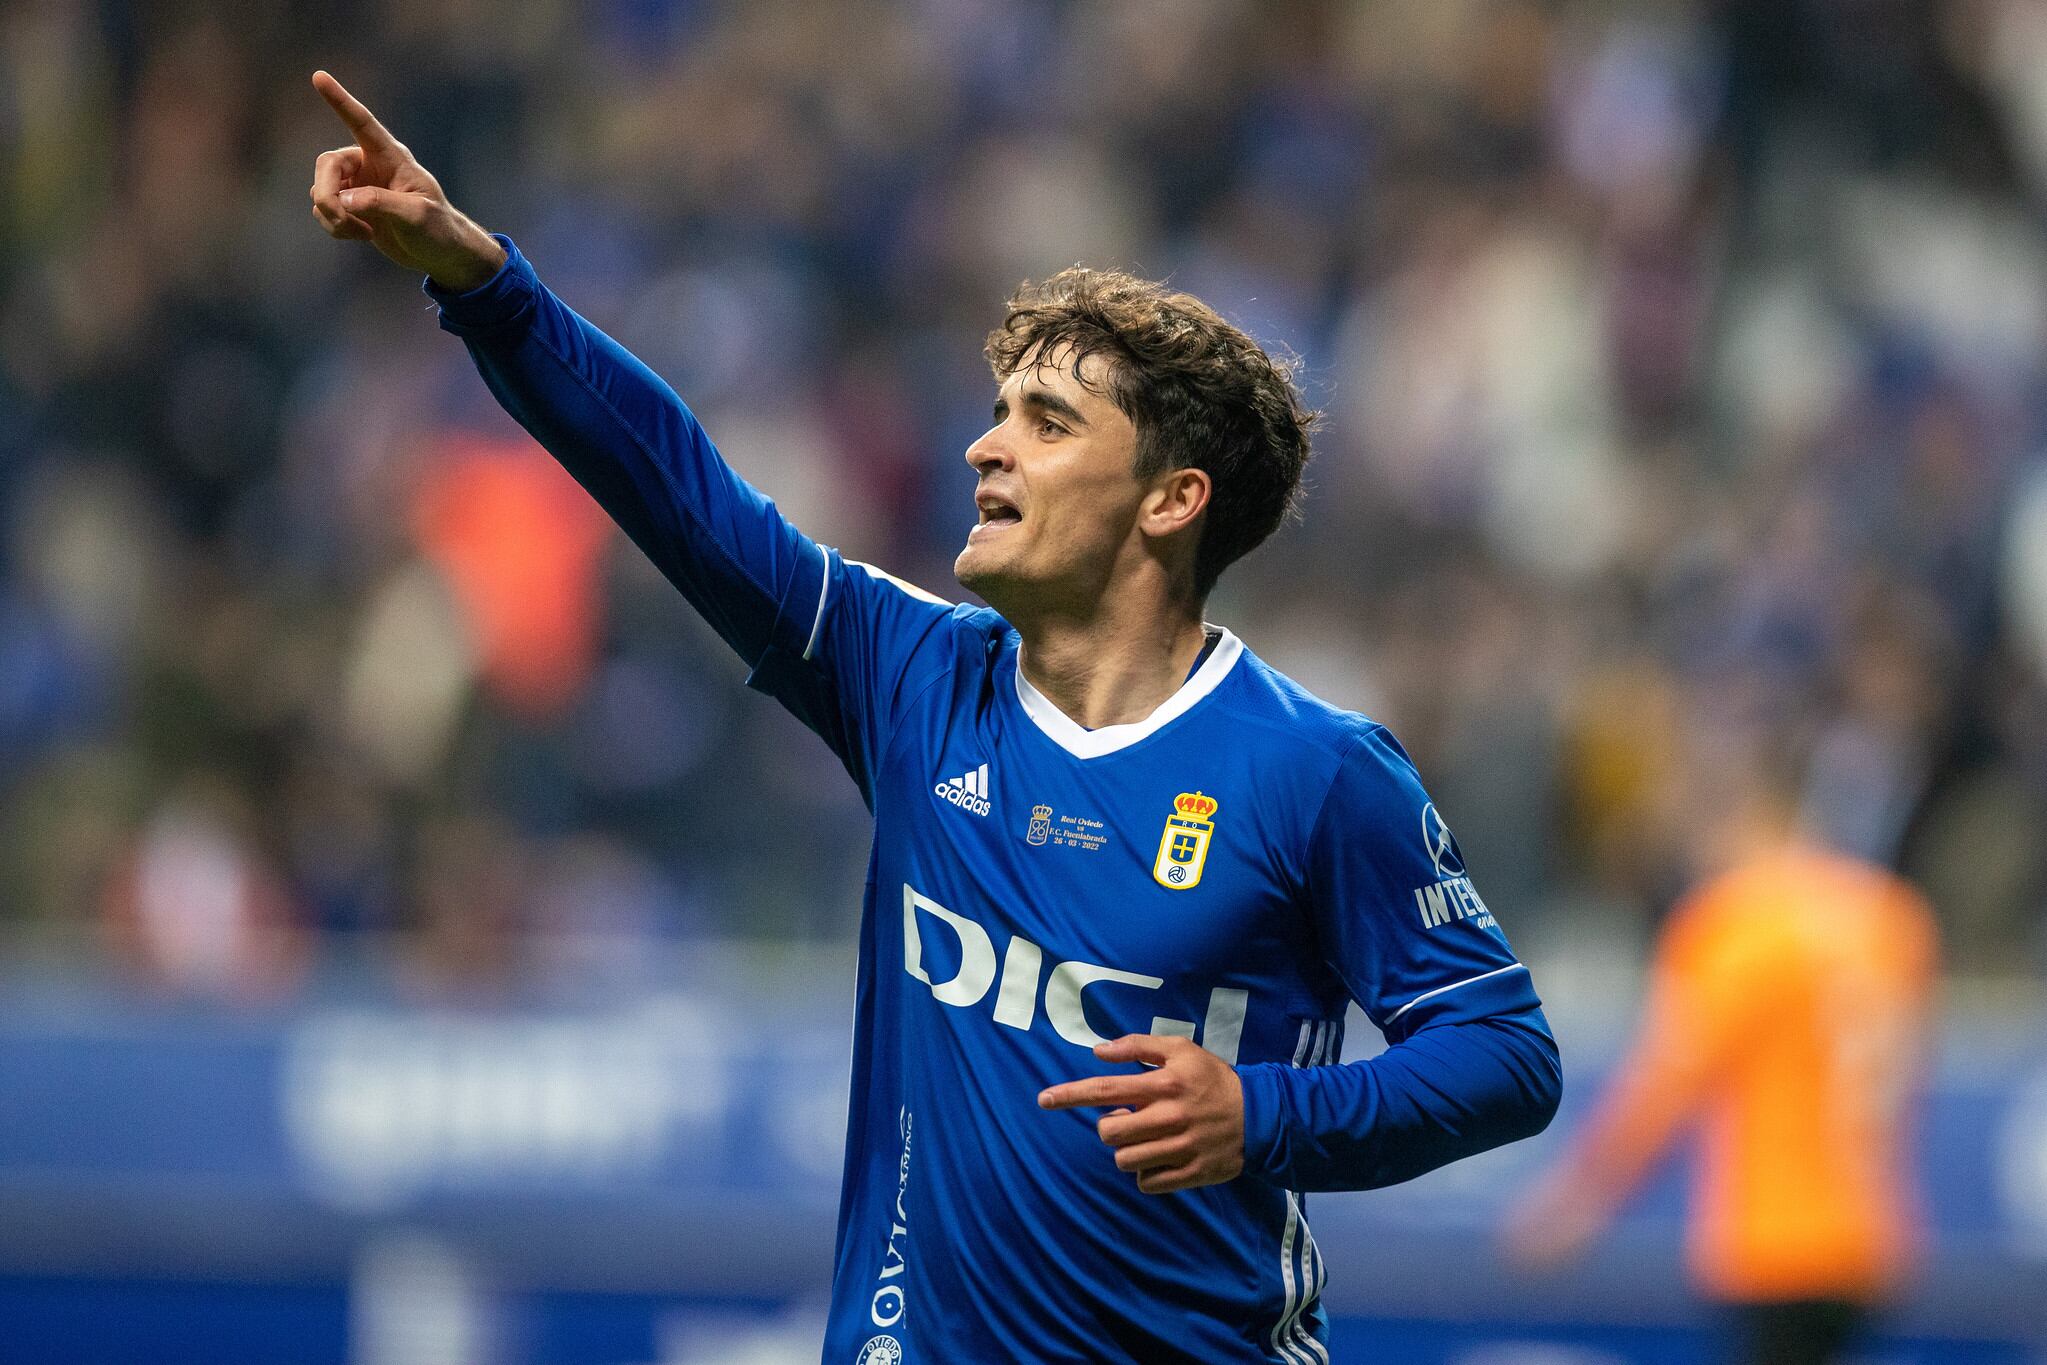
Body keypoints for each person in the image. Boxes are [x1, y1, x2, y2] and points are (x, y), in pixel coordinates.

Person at [307, 69, 1561, 1364]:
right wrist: (479, 280)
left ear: (1169, 500)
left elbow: (1503, 1054)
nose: (983, 447)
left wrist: (1265, 1112)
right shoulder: (907, 675)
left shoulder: (1312, 772)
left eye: (1044, 421)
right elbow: (677, 487)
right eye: (996, 410)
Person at [1504, 736, 1938, 1365]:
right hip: (1872, 1233)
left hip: (1776, 1239)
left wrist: (1578, 1200)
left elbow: (1668, 1084)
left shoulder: (1734, 926)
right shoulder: (1889, 915)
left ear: (1728, 813)